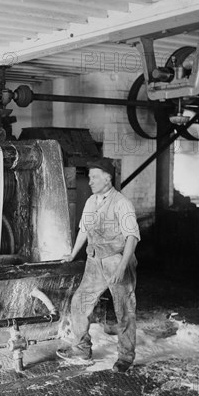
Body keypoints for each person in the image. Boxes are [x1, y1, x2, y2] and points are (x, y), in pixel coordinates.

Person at [58, 158, 140, 373]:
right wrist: (72, 254)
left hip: (117, 260)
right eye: (90, 177)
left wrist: (122, 266)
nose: (91, 181)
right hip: (94, 261)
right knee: (79, 303)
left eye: (95, 177)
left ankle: (125, 357)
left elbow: (131, 237)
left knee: (124, 310)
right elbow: (84, 230)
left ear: (108, 178)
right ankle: (82, 349)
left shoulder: (122, 203)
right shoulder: (91, 201)